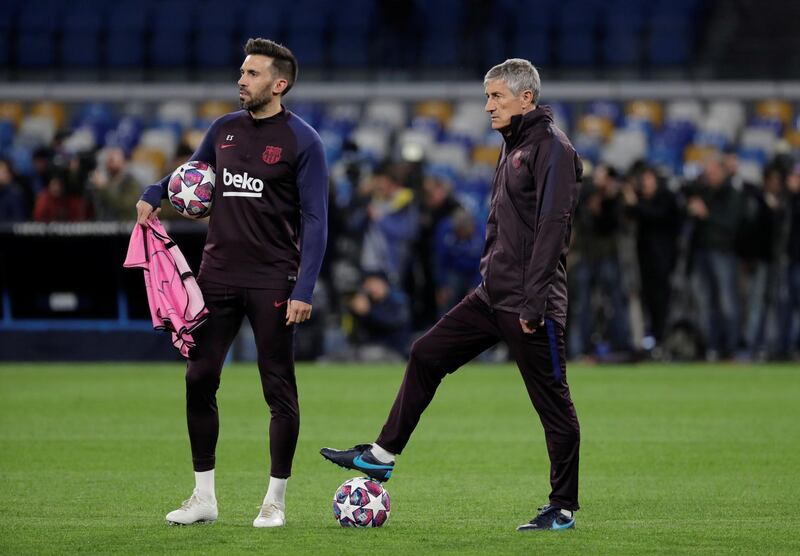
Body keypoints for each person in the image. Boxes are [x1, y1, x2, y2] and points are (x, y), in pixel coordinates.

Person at [321, 58, 583, 532]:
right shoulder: (514, 145)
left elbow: (553, 228)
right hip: (493, 294)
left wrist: (534, 300)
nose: (488, 106)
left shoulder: (552, 149)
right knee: (426, 352)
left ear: (526, 99)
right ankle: (381, 456)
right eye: (487, 97)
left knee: (553, 404)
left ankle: (562, 508)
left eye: (496, 96)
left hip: (531, 303)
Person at [135, 38, 328, 528]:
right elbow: (188, 175)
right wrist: (153, 192)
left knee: (277, 387)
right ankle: (203, 498)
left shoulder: (304, 141)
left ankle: (274, 501)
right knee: (199, 378)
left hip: (273, 280)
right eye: (241, 72)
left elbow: (317, 220)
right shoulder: (222, 129)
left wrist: (304, 288)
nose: (241, 79)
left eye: (252, 73)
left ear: (278, 84)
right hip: (216, 275)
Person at [89, 147, 143, 221]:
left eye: (113, 159)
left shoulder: (131, 183)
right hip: (105, 226)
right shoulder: (106, 181)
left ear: (123, 162)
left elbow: (125, 205)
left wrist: (105, 188)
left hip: (127, 226)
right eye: (108, 159)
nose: (110, 162)